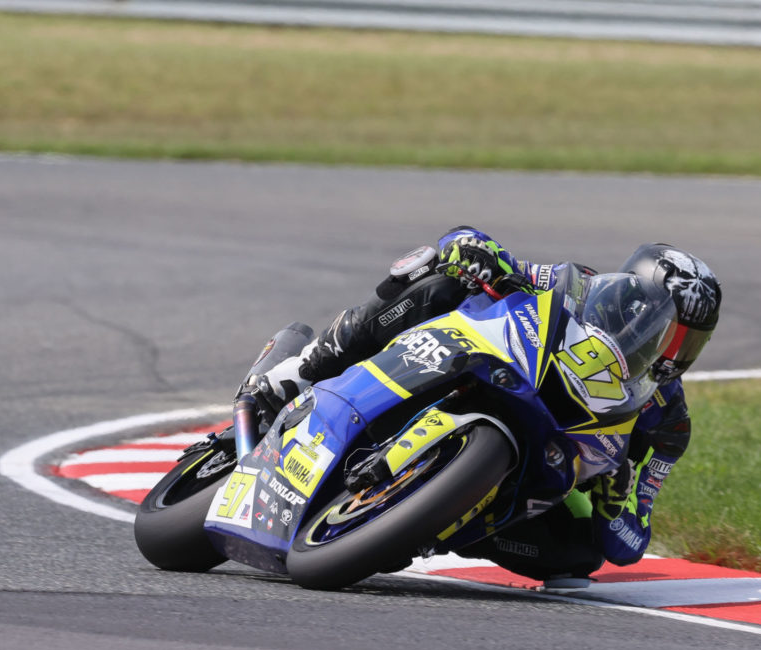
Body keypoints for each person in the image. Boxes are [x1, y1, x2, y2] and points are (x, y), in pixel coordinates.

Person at [242, 227, 722, 587]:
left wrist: (614, 494)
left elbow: (628, 541)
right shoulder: (575, 287)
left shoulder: (669, 421)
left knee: (580, 556)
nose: (674, 351)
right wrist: (480, 256)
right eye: (672, 331)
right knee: (433, 280)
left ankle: (427, 516)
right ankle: (305, 369)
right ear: (633, 296)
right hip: (485, 368)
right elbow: (474, 245)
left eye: (690, 342)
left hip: (533, 470)